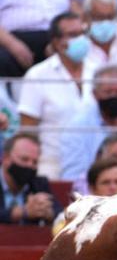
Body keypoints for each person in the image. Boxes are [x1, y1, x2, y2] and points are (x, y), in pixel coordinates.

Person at [18, 12, 97, 180]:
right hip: (53, 165)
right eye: (73, 35)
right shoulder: (38, 75)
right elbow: (28, 129)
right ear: (57, 42)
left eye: (82, 33)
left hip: (97, 163)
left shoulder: (99, 71)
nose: (81, 39)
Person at [0, 133, 61, 225]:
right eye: (24, 159)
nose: (30, 165)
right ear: (6, 159)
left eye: (35, 162)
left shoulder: (38, 184)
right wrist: (22, 212)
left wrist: (49, 214)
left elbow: (60, 213)